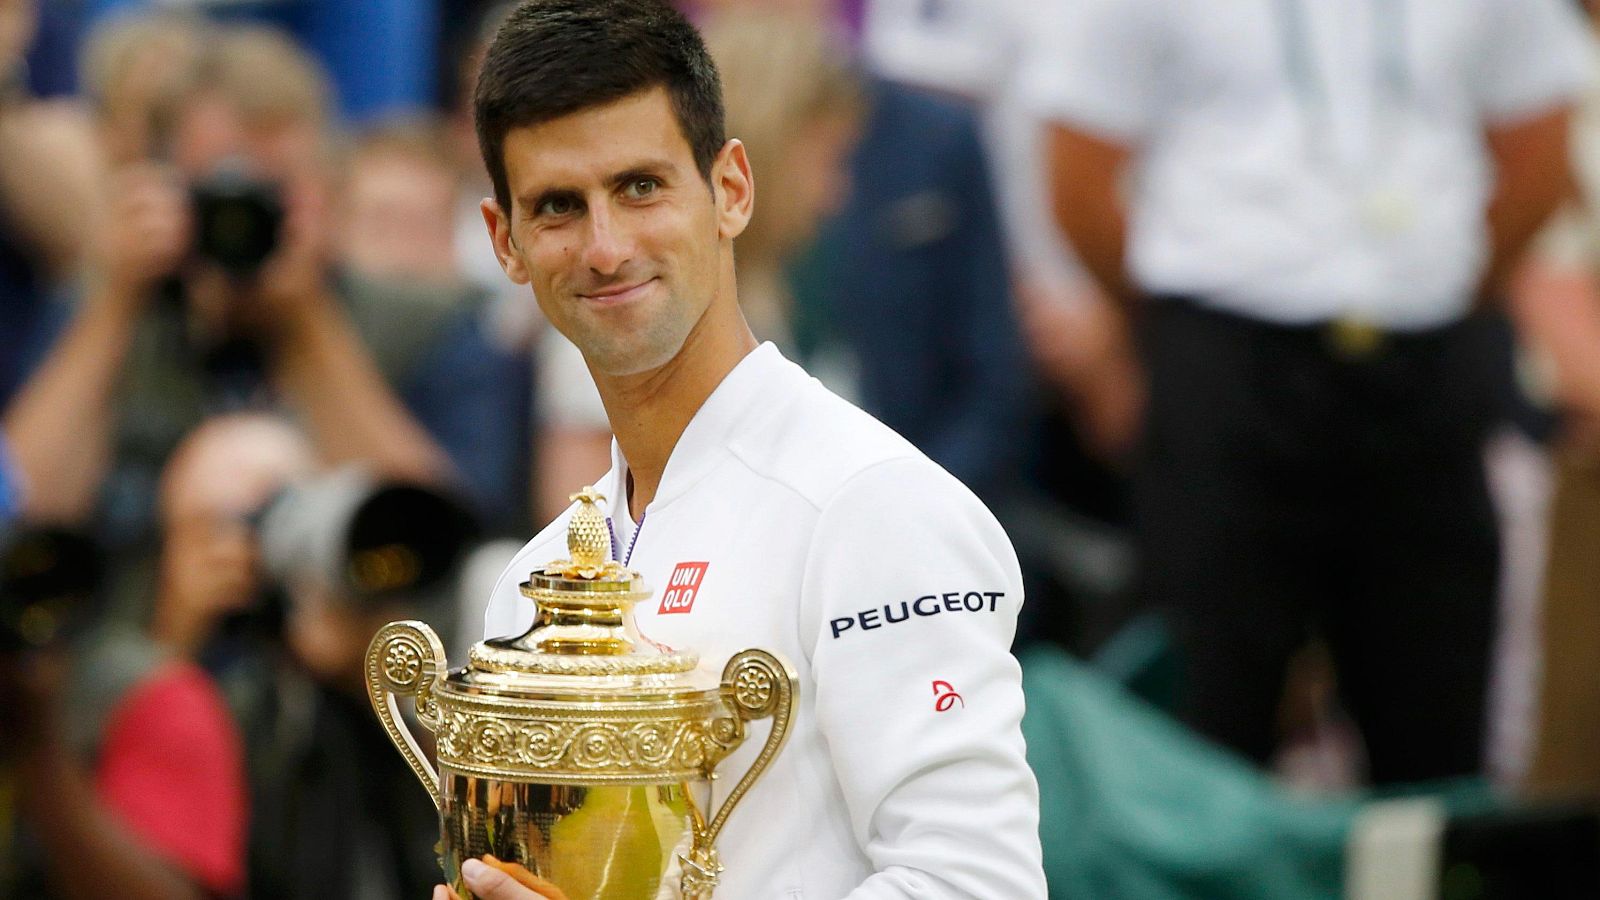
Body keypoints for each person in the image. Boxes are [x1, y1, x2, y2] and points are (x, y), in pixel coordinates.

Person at [439, 1, 1046, 897]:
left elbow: (977, 885)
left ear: (730, 189)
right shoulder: (524, 593)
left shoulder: (874, 506)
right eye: (559, 207)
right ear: (507, 242)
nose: (606, 247)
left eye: (640, 186)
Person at [1021, 0, 1590, 783]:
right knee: (1203, 707)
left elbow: (1538, 147)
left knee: (1434, 704)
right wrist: (1182, 322)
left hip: (1424, 358)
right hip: (1229, 355)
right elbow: (1079, 171)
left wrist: (1438, 281)